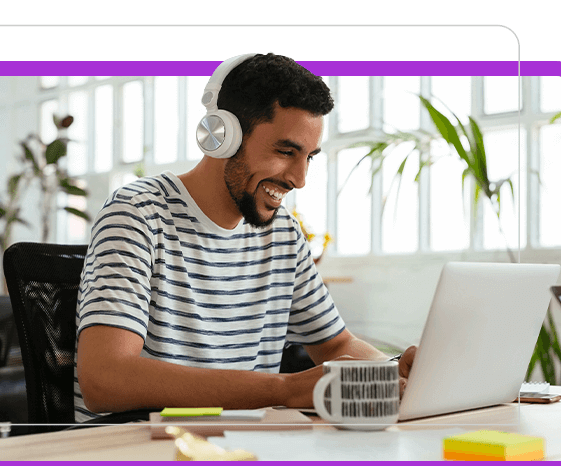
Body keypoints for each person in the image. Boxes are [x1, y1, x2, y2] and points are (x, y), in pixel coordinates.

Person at [74, 53, 416, 423]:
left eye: (309, 157)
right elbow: (104, 379)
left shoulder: (281, 232)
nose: (299, 179)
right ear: (221, 136)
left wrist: (394, 372)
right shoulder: (138, 214)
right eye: (285, 152)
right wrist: (286, 390)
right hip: (141, 448)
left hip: (243, 445)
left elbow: (335, 344)